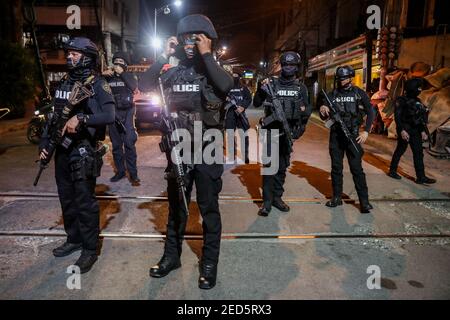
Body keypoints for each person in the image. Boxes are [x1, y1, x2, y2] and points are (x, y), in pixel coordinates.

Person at [139, 14, 233, 289]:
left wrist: (207, 55)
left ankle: (209, 263)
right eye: (185, 38)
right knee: (177, 210)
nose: (189, 43)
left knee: (208, 209)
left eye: (196, 37)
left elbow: (226, 87)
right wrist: (161, 56)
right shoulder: (172, 71)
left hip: (208, 150)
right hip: (179, 151)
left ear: (207, 40)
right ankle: (172, 257)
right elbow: (143, 86)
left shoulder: (215, 72)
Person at [39, 37, 115, 272]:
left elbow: (110, 116)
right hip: (61, 149)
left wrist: (82, 118)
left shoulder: (98, 84)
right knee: (67, 199)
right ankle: (74, 239)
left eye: (74, 53)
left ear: (87, 57)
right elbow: (54, 116)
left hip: (82, 150)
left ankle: (90, 250)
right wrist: (44, 144)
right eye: (68, 53)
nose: (69, 57)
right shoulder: (63, 82)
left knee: (84, 202)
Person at [253, 51, 311, 217]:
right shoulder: (271, 83)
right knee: (269, 167)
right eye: (285, 64)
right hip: (271, 132)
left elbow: (306, 110)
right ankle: (267, 202)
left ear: (296, 67)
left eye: (292, 65)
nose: (288, 68)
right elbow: (257, 103)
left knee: (282, 167)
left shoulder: (301, 88)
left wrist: (300, 130)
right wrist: (260, 88)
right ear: (281, 66)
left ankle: (277, 198)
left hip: (288, 133)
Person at [319, 65, 374, 214]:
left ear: (350, 77)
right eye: (340, 78)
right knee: (336, 169)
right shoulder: (332, 95)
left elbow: (371, 112)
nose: (342, 80)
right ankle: (336, 198)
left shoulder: (359, 93)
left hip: (354, 135)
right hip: (336, 136)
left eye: (345, 78)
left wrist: (366, 132)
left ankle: (364, 202)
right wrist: (323, 110)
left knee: (357, 169)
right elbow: (324, 116)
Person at [388, 78, 436, 184]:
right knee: (400, 150)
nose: (420, 90)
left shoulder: (418, 101)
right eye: (418, 88)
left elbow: (420, 118)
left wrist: (423, 131)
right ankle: (392, 170)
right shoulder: (401, 100)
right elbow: (398, 117)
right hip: (405, 129)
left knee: (418, 153)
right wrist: (402, 131)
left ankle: (421, 177)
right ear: (411, 88)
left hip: (415, 130)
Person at [103, 51, 140, 186]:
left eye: (121, 61)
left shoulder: (129, 76)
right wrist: (103, 75)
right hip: (114, 114)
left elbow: (134, 87)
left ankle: (133, 174)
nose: (117, 63)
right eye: (116, 61)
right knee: (117, 146)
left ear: (125, 64)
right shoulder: (109, 77)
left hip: (128, 113)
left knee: (129, 143)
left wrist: (122, 73)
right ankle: (120, 172)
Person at [225, 73, 252, 163]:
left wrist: (243, 107)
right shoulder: (227, 87)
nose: (235, 77)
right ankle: (232, 154)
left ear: (239, 77)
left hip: (241, 114)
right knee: (230, 135)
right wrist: (226, 99)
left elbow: (248, 98)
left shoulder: (243, 88)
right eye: (233, 75)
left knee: (244, 135)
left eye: (237, 76)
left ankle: (245, 155)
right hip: (230, 114)